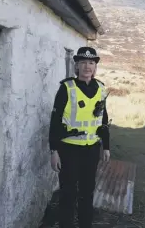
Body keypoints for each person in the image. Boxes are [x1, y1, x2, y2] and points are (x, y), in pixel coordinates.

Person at [48, 46, 111, 228]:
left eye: (91, 63)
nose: (87, 67)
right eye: (83, 62)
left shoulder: (100, 88)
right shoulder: (66, 88)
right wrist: (54, 151)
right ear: (77, 66)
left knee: (87, 192)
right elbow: (55, 122)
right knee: (68, 193)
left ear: (95, 67)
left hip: (91, 150)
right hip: (68, 149)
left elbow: (103, 120)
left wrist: (105, 146)